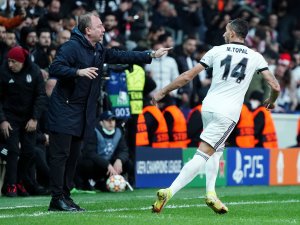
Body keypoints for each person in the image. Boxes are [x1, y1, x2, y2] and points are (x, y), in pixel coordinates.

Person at [151, 18, 280, 214]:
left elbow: (187, 76)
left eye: (226, 31)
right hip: (227, 113)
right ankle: (169, 191)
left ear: (234, 34)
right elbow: (275, 85)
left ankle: (211, 193)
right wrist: (271, 100)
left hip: (209, 107)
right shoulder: (256, 57)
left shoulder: (216, 51)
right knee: (202, 154)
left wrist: (162, 91)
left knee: (217, 149)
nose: (223, 34)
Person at [47, 12, 171, 212]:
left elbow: (121, 55)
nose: (103, 29)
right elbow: (55, 67)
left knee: (73, 157)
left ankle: (66, 196)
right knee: (60, 156)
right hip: (64, 109)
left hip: (82, 112)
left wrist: (149, 55)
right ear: (88, 30)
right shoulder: (71, 47)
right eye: (99, 26)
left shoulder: (97, 49)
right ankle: (56, 198)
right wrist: (77, 72)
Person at [0, 46, 47, 197]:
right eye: (9, 61)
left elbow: (40, 96)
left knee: (29, 152)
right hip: (10, 117)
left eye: (14, 62)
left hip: (29, 118)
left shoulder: (34, 72)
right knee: (13, 151)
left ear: (22, 61)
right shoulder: (3, 72)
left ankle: (20, 181)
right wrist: (2, 120)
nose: (10, 65)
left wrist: (35, 118)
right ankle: (11, 185)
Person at [75, 111, 132, 191]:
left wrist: (119, 160)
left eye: (113, 120)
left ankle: (108, 182)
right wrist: (107, 164)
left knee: (127, 163)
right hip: (98, 165)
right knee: (86, 163)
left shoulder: (118, 132)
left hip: (111, 165)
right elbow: (90, 153)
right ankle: (85, 183)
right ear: (101, 123)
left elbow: (124, 150)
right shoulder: (94, 132)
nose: (111, 123)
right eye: (108, 120)